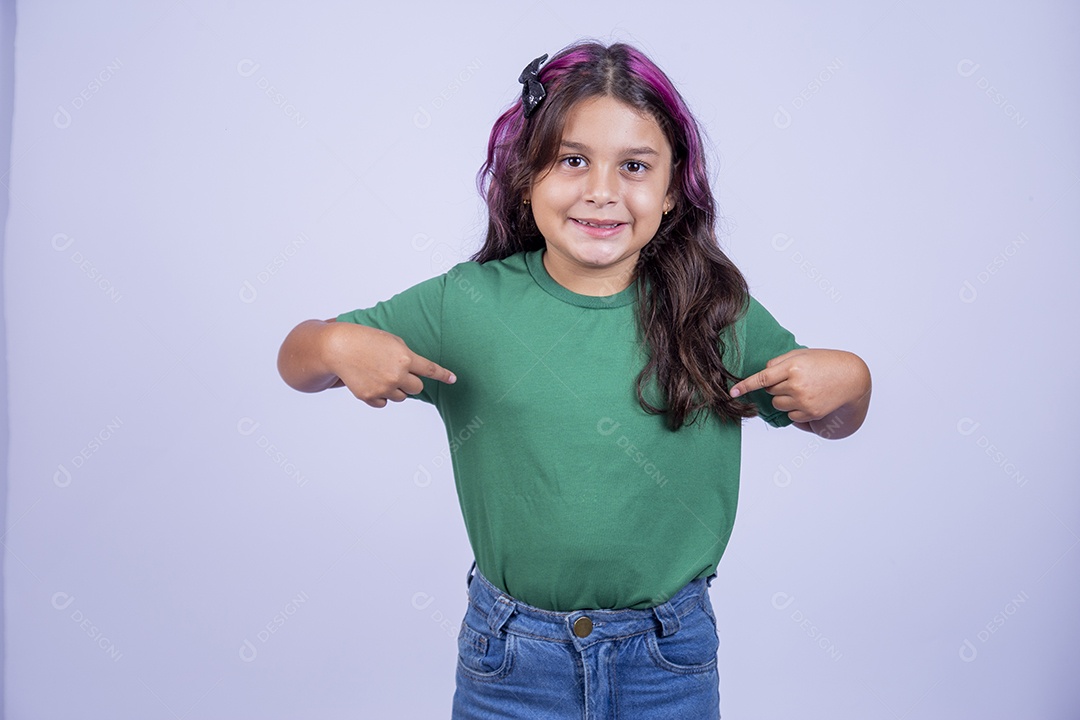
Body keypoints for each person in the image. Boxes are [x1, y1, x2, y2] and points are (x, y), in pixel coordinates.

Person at [278, 40, 871, 720]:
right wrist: (331, 342)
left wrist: (852, 386)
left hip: (667, 661)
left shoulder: (713, 310)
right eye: (572, 159)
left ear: (673, 187)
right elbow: (298, 363)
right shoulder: (464, 305)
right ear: (528, 176)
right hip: (509, 663)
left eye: (635, 166)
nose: (602, 191)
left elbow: (829, 417)